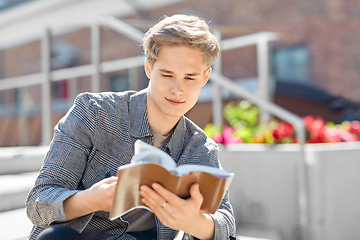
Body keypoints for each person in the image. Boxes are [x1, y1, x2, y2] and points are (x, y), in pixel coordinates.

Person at [26, 14, 236, 240]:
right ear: (149, 68)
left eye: (190, 78)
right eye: (167, 75)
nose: (177, 89)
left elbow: (227, 222)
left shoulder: (200, 148)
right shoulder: (94, 112)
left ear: (205, 78)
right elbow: (39, 202)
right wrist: (92, 199)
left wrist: (195, 222)